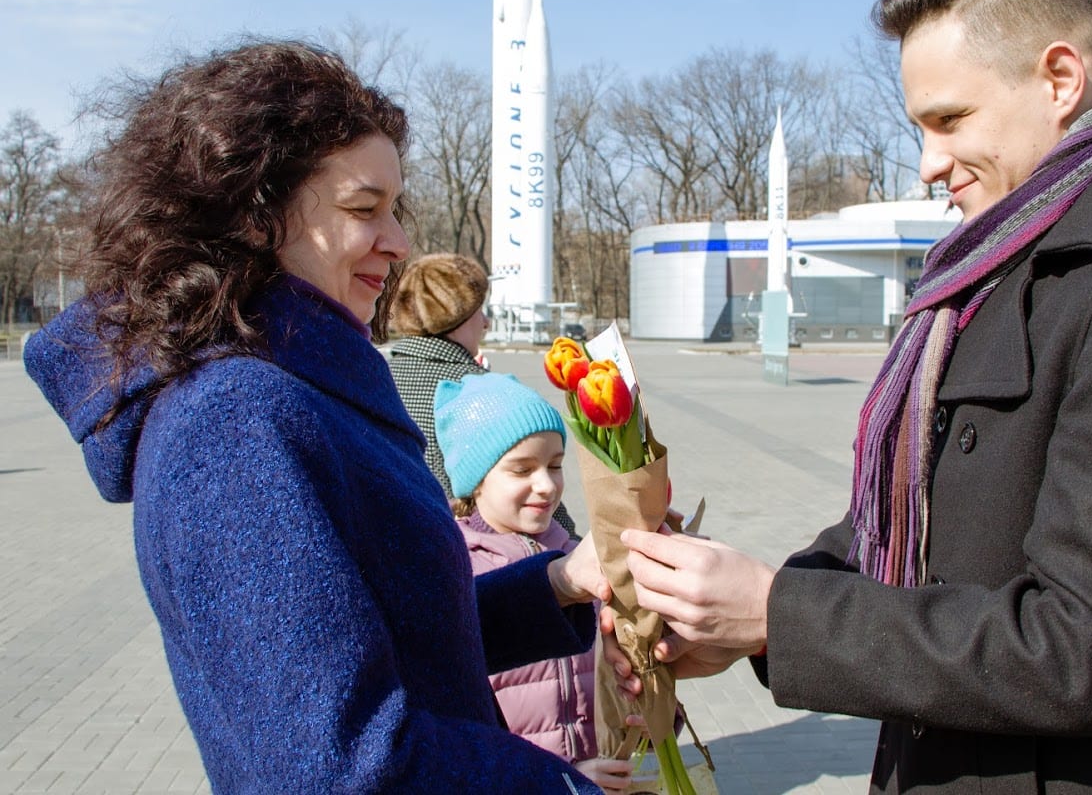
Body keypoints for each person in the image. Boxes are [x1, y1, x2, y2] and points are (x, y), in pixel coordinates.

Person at [613, 0, 1092, 794]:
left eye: (949, 120)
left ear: (1060, 79)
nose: (929, 162)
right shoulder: (1001, 270)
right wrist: (740, 612)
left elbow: (1090, 649)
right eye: (919, 129)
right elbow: (921, 532)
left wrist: (778, 613)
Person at [23, 40, 608, 793]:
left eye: (396, 209)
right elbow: (340, 765)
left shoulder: (298, 386)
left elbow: (399, 637)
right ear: (256, 216)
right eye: (364, 210)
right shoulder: (238, 421)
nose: (397, 245)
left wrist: (557, 583)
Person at [435, 372, 637, 792]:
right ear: (476, 480)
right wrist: (558, 778)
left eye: (556, 465)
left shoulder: (576, 554)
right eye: (521, 469)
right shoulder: (458, 575)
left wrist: (643, 706)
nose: (545, 485)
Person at [388, 254, 579, 535]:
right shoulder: (481, 393)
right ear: (457, 316)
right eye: (479, 310)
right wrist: (573, 547)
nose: (486, 322)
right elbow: (543, 504)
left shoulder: (379, 378)